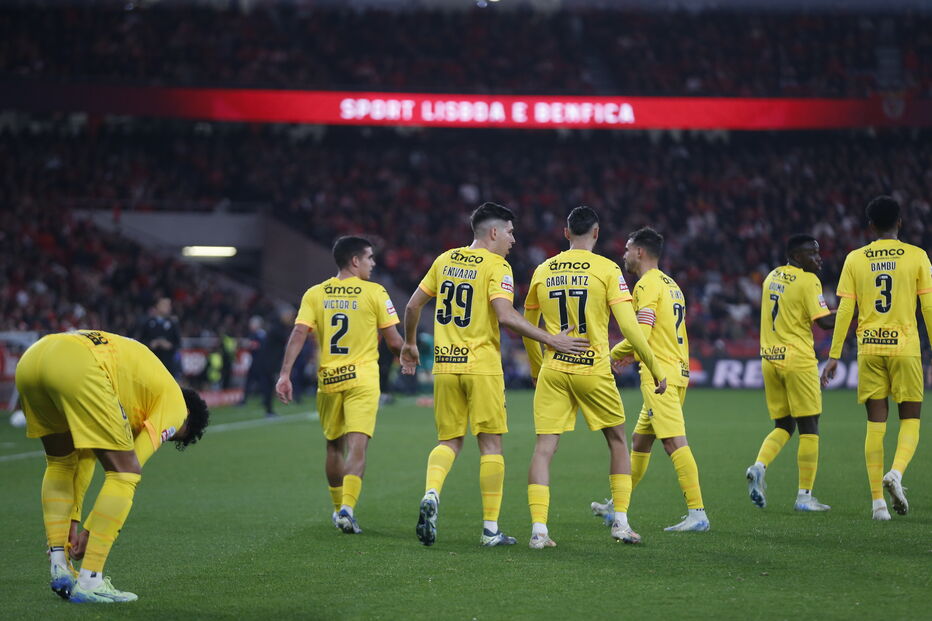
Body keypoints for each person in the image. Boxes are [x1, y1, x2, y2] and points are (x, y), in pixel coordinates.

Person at [400, 202, 589, 547]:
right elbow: (504, 315)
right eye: (510, 232)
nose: (513, 239)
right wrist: (551, 338)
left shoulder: (444, 260)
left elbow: (413, 306)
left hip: (444, 365)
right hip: (482, 367)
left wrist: (409, 344)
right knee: (491, 445)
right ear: (493, 232)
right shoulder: (497, 266)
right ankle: (490, 530)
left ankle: (431, 493)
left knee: (448, 442)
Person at [15, 329, 209, 603]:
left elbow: (83, 459)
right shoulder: (177, 406)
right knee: (125, 472)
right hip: (78, 364)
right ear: (187, 420)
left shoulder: (143, 387)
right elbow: (132, 464)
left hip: (33, 359)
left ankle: (59, 564)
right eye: (174, 436)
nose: (167, 434)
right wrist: (89, 531)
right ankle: (90, 579)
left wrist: (73, 520)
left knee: (61, 461)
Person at [522, 207, 667, 549]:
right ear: (597, 233)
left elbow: (528, 327)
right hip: (593, 368)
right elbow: (630, 326)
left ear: (566, 232)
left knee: (544, 449)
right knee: (617, 441)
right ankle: (621, 523)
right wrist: (655, 368)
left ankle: (539, 531)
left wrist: (535, 369)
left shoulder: (543, 269)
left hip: (554, 369)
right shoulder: (607, 269)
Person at [277, 236, 404, 534]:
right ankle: (347, 508)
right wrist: (405, 356)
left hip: (330, 379)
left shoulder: (315, 293)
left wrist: (285, 373)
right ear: (355, 261)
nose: (373, 264)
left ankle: (337, 510)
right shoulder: (375, 292)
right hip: (363, 378)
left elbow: (298, 332)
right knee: (357, 447)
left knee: (334, 446)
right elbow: (394, 340)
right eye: (370, 258)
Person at [592, 227, 710, 532]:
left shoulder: (645, 285)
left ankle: (697, 513)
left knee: (673, 442)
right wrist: (632, 353)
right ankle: (617, 504)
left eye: (628, 249)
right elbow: (659, 333)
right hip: (676, 370)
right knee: (640, 441)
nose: (624, 255)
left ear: (640, 252)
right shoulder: (672, 285)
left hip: (659, 377)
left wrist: (613, 354)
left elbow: (640, 333)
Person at [821, 196, 932, 520]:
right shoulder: (917, 256)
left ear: (870, 226)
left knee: (875, 424)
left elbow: (844, 310)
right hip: (905, 348)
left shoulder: (855, 259)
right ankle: (896, 473)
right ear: (900, 222)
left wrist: (834, 355)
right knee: (910, 419)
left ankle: (877, 504)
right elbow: (927, 308)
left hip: (869, 348)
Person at [746, 235, 835, 511]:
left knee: (784, 425)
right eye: (812, 253)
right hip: (798, 359)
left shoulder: (771, 276)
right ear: (797, 256)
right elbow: (825, 323)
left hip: (770, 359)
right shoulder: (808, 281)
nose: (818, 258)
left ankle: (759, 466)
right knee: (810, 426)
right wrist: (854, 307)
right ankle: (804, 497)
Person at [136, 297, 181, 377]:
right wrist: (150, 344)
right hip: (151, 363)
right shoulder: (148, 323)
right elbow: (140, 342)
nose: (168, 307)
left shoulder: (173, 324)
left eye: (169, 305)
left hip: (168, 365)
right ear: (157, 306)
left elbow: (178, 344)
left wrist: (169, 345)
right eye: (165, 304)